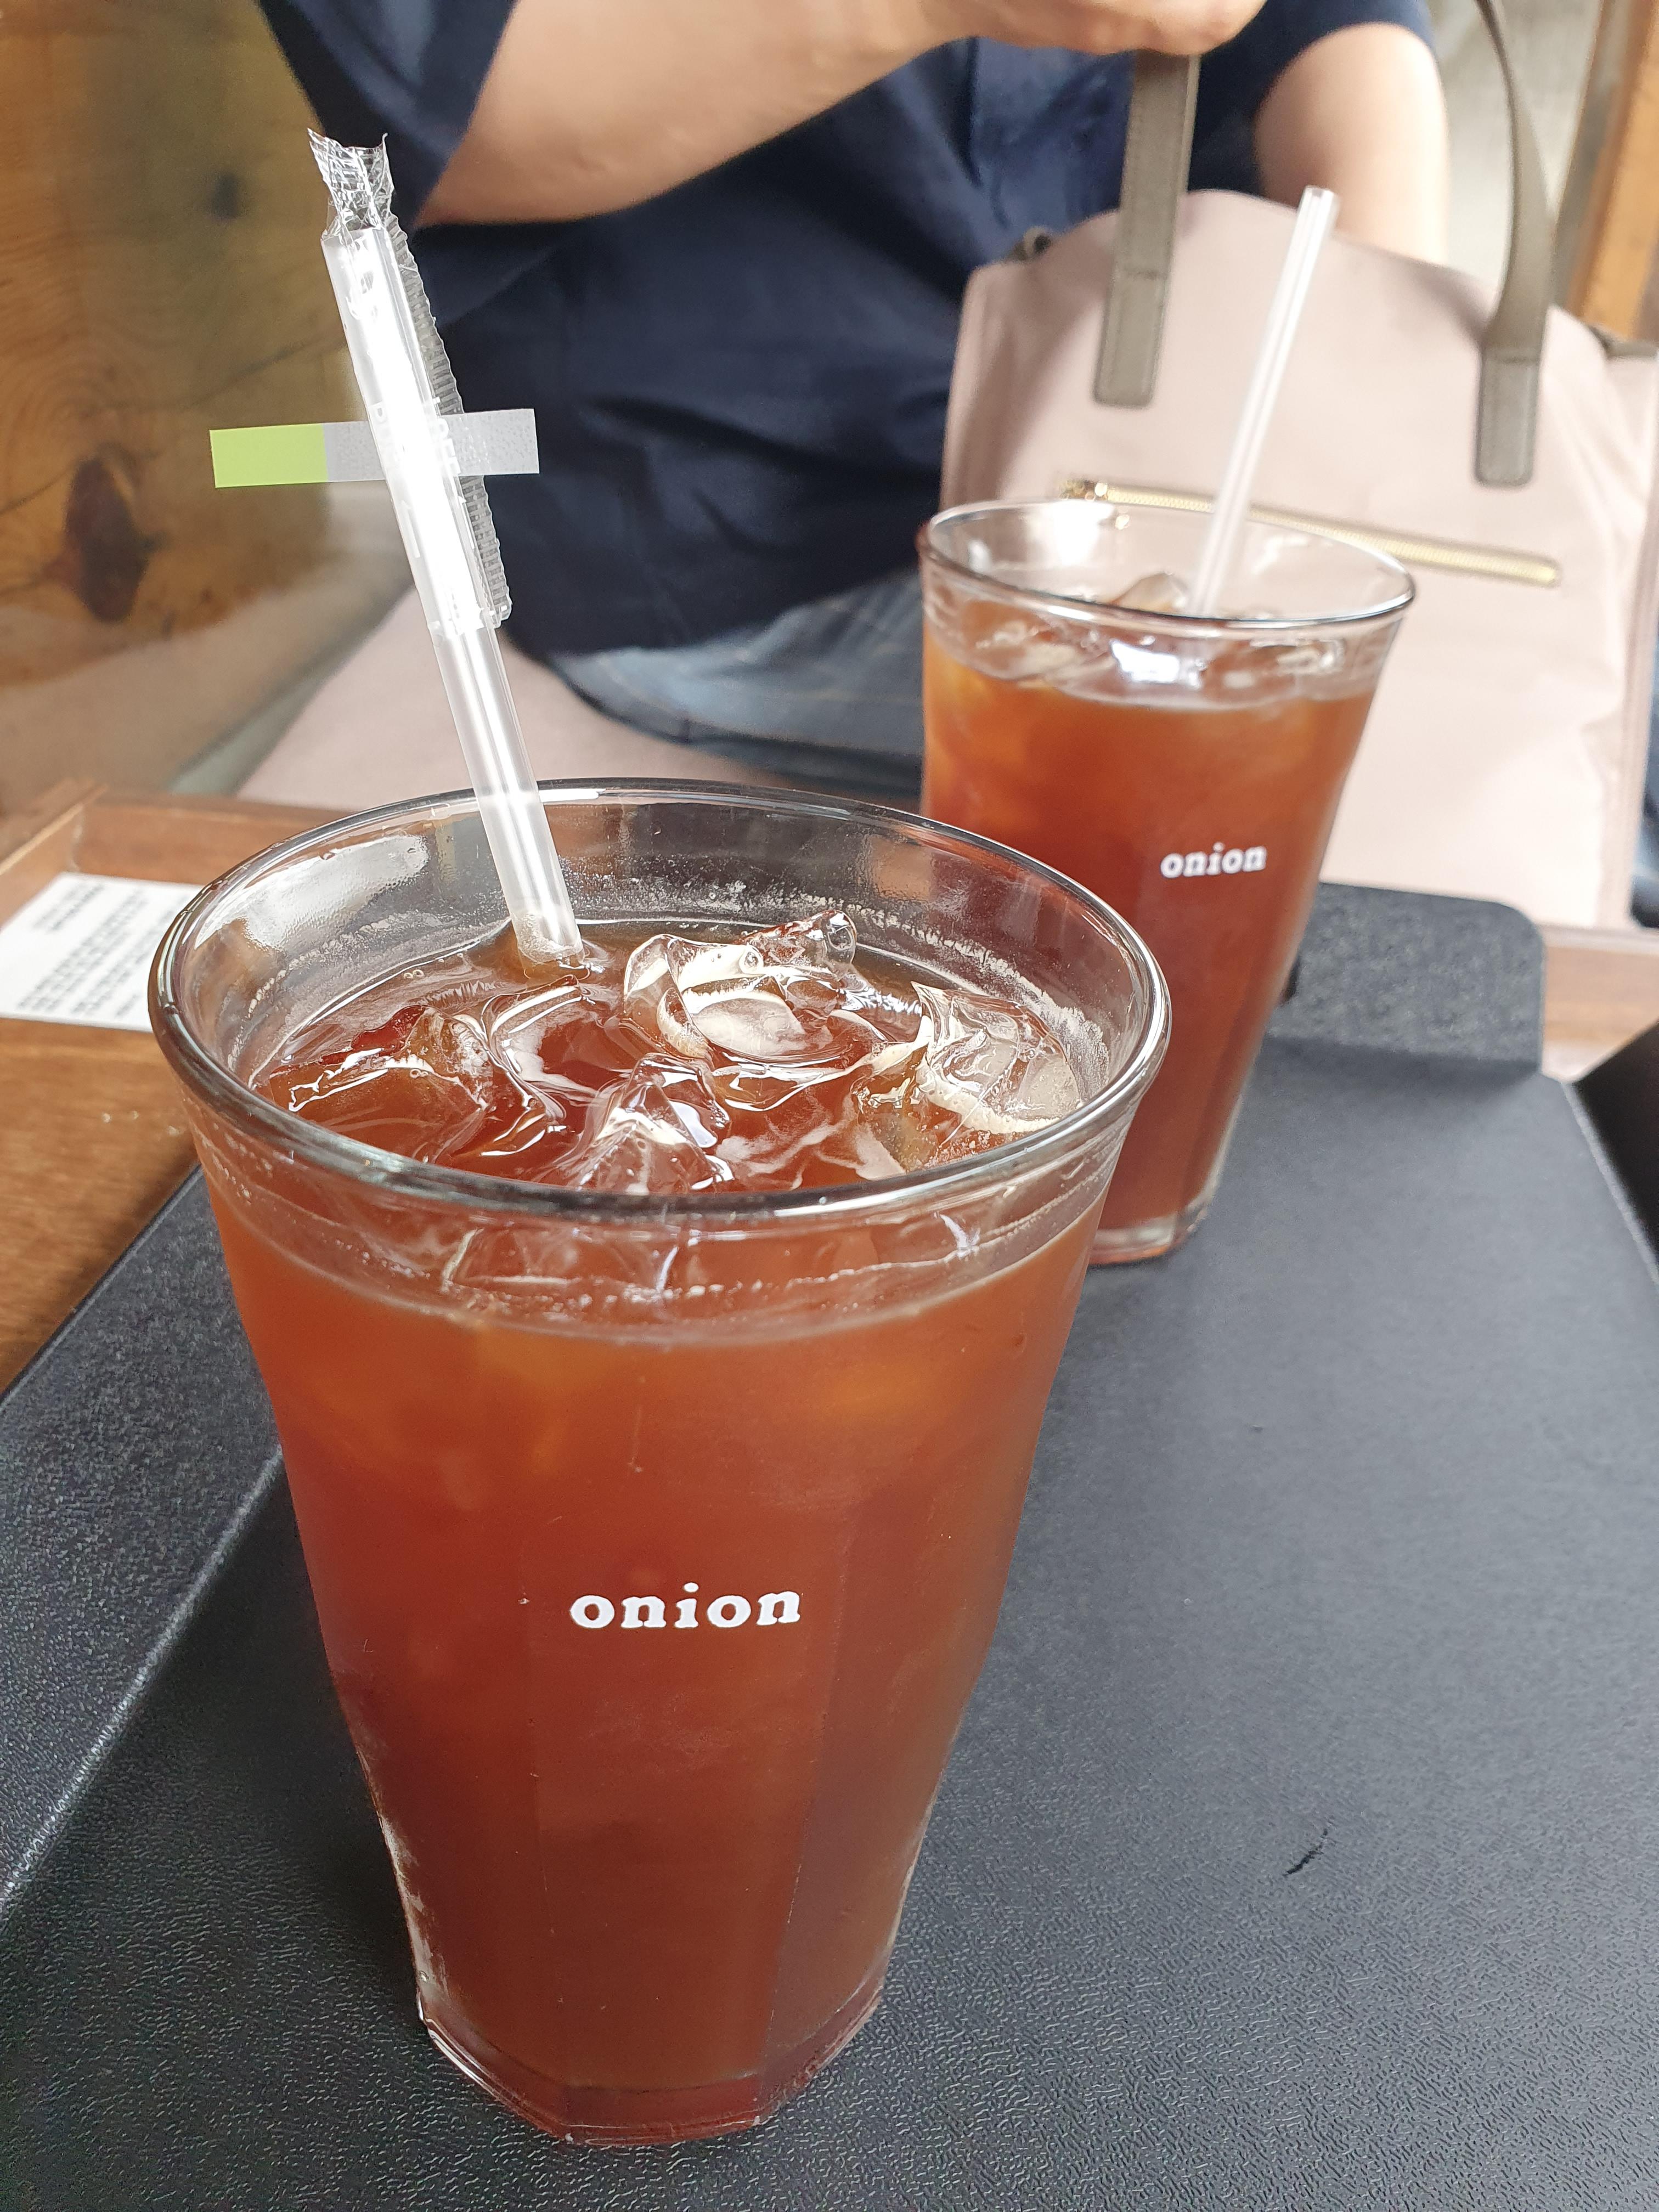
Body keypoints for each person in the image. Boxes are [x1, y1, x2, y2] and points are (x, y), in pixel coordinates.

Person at [260, 0, 1449, 798]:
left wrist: (1381, 335)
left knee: (1477, 718)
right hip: (732, 522)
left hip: (1101, 455)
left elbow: (1325, 27)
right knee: (1366, 763)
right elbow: (454, 115)